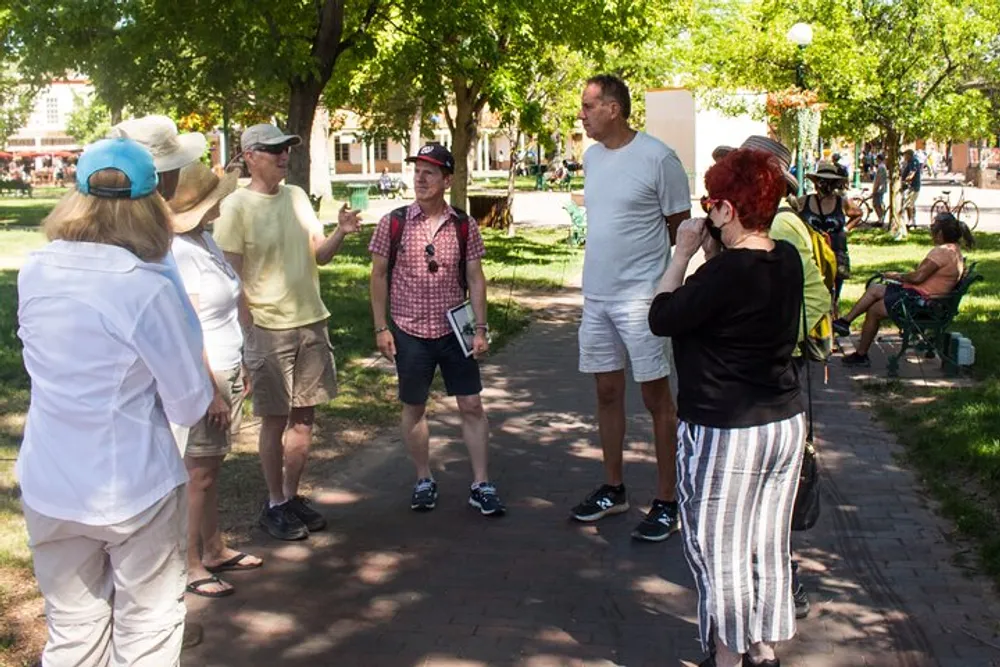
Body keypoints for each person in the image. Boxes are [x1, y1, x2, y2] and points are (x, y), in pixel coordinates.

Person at [16, 138, 213, 665]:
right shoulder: (145, 288)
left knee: (72, 634)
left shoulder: (35, 269)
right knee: (147, 631)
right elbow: (190, 403)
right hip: (134, 484)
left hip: (50, 480)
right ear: (152, 204)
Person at [648, 148, 805, 667]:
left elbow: (663, 315)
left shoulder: (720, 276)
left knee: (717, 546)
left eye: (711, 204)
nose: (707, 213)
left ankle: (727, 654)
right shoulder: (785, 259)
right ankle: (762, 648)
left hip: (724, 428)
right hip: (781, 423)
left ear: (727, 211)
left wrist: (680, 253)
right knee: (765, 540)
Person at [214, 124, 360, 541]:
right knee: (274, 421)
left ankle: (290, 496)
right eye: (274, 149)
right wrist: (246, 337)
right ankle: (275, 502)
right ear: (250, 156)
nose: (284, 156)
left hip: (312, 321)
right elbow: (231, 280)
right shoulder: (236, 207)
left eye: (286, 149)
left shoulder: (296, 196)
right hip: (268, 330)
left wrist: (341, 233)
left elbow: (321, 255)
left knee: (305, 418)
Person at [572, 74, 691, 542]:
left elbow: (680, 228)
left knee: (656, 398)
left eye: (587, 106)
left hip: (643, 300)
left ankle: (666, 499)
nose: (581, 114)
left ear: (614, 108)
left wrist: (663, 285)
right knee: (606, 392)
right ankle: (614, 488)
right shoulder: (592, 158)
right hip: (596, 297)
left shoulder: (659, 158)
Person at [714, 136, 828, 622]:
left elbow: (818, 296)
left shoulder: (780, 224)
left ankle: (783, 585)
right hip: (765, 371)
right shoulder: (770, 222)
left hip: (775, 372)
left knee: (767, 493)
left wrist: (773, 337)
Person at [369, 144, 504, 516]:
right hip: (410, 330)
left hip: (454, 330)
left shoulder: (463, 224)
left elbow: (476, 279)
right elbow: (378, 276)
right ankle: (424, 478)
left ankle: (481, 483)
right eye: (417, 171)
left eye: (430, 172)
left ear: (447, 179)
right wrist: (382, 327)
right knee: (414, 406)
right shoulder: (393, 222)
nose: (420, 178)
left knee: (472, 404)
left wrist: (480, 328)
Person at [168, 162, 264, 599]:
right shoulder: (181, 252)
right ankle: (188, 563)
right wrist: (209, 389)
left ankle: (214, 546)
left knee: (212, 468)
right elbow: (189, 326)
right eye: (217, 198)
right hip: (206, 375)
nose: (224, 202)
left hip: (226, 365)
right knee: (198, 473)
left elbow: (228, 305)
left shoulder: (205, 239)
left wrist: (240, 361)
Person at [834, 213, 973, 367]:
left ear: (940, 234)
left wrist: (897, 276)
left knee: (874, 310)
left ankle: (860, 355)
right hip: (926, 298)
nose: (931, 233)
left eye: (933, 230)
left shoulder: (942, 252)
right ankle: (845, 322)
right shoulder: (953, 251)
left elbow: (917, 277)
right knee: (875, 288)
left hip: (920, 302)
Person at [799, 161, 860, 317]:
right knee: (812, 292)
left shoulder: (842, 202)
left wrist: (846, 229)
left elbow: (858, 213)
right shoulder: (803, 201)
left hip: (836, 253)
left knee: (834, 295)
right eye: (822, 181)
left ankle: (832, 326)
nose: (825, 185)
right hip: (812, 254)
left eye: (829, 181)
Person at [901, 148, 922, 228]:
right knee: (909, 204)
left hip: (913, 186)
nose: (904, 157)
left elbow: (912, 174)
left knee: (909, 204)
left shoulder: (914, 161)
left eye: (905, 155)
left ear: (909, 155)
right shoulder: (909, 162)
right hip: (909, 186)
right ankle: (911, 220)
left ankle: (911, 222)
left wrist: (905, 180)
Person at [872, 153, 888, 226]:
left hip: (879, 189)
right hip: (881, 188)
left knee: (876, 204)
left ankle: (880, 219)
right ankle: (880, 218)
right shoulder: (882, 167)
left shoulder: (881, 167)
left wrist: (875, 189)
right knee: (878, 203)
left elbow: (879, 179)